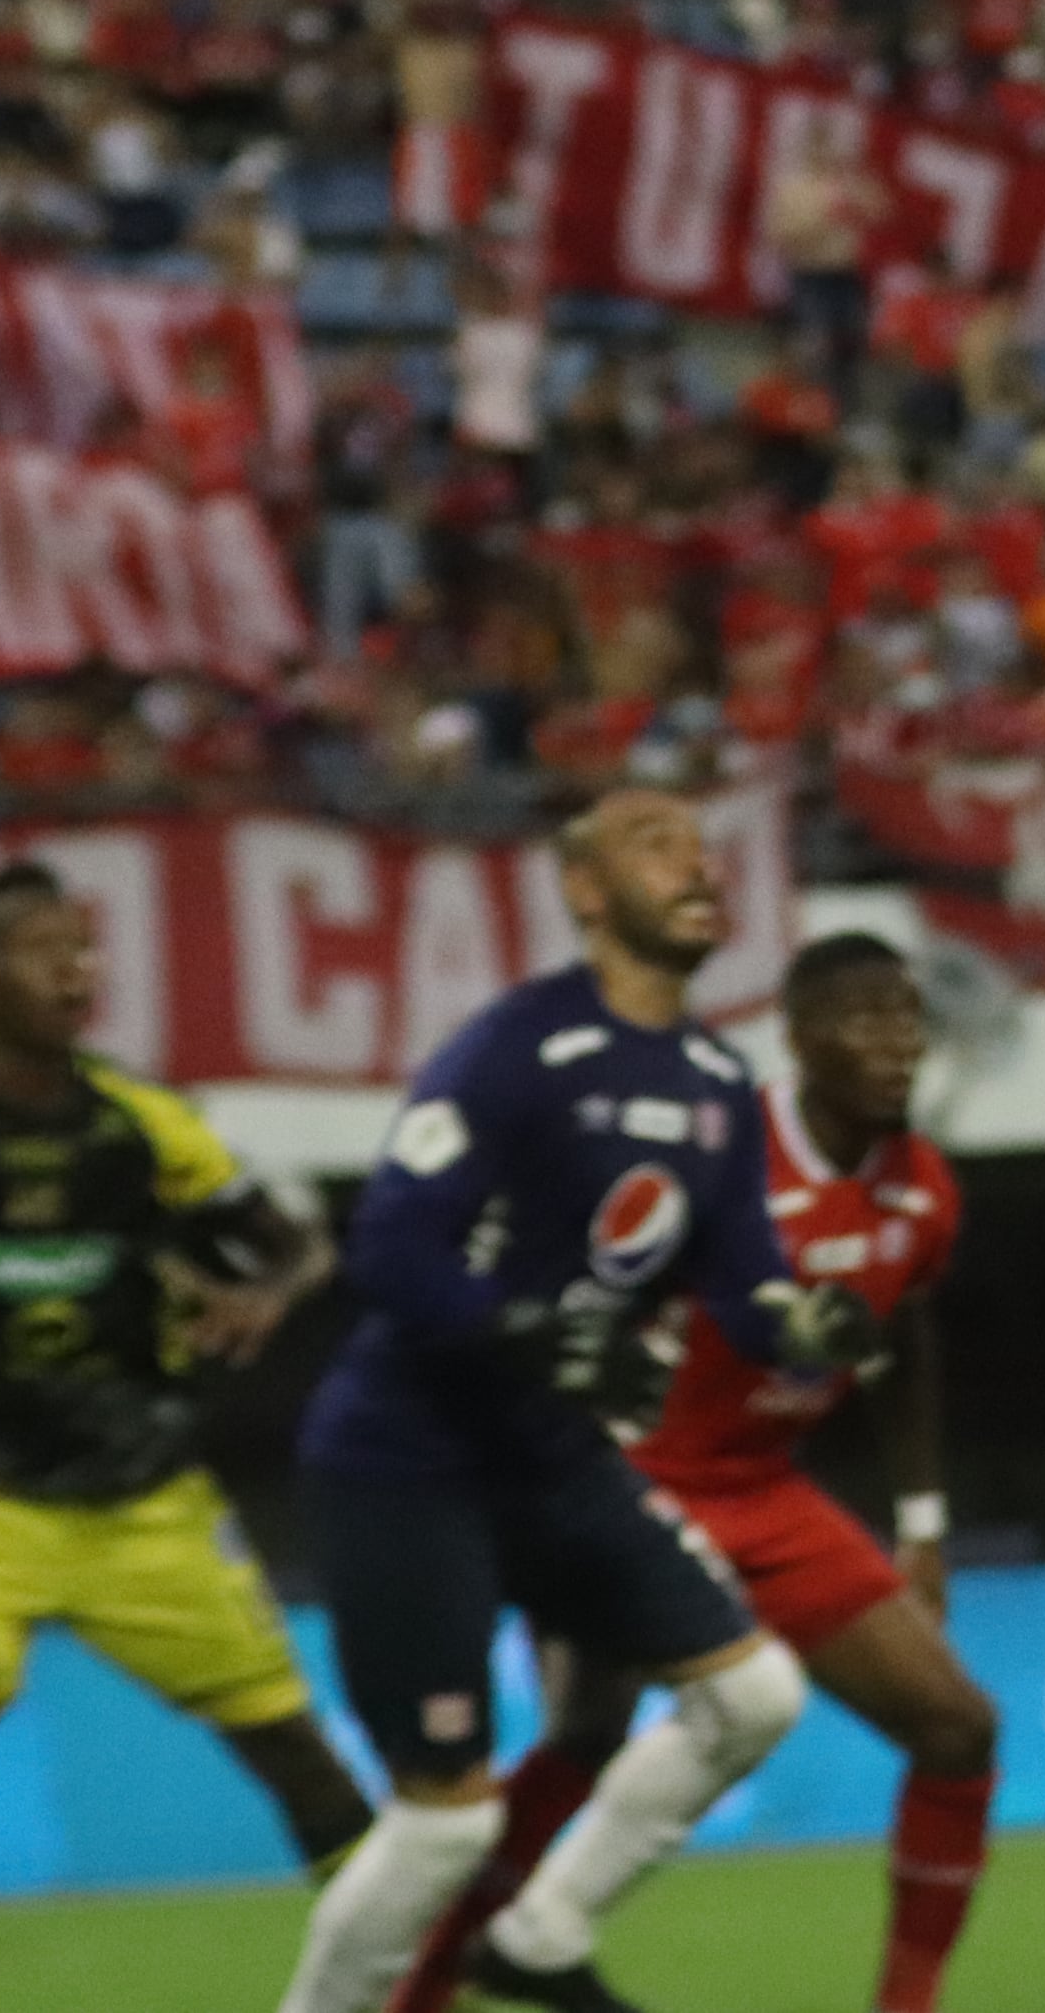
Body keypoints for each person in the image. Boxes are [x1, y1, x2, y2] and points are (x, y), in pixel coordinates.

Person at [273, 791, 877, 2013]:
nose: (697, 867)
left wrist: (806, 1325)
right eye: (659, 847)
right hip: (408, 1463)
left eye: (703, 851)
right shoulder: (516, 1048)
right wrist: (533, 1337)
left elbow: (746, 1281)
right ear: (587, 894)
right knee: (444, 1829)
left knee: (753, 1697)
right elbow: (389, 1246)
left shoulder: (715, 1079)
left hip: (553, 1465)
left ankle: (539, 1936)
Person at [387, 935, 994, 2013]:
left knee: (958, 1727)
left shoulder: (924, 1190)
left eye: (908, 1019)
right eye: (864, 1019)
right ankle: (430, 1985)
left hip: (764, 1483)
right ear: (799, 1045)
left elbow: (910, 1342)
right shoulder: (718, 1149)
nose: (896, 1043)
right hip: (630, 1472)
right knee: (587, 1728)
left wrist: (924, 1522)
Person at [0, 862, 366, 2010]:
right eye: (41, 950)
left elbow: (299, 1244)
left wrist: (268, 1293)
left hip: (147, 1508)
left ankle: (401, 1985)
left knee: (301, 1767)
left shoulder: (146, 1126)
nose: (74, 971)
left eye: (83, 948)